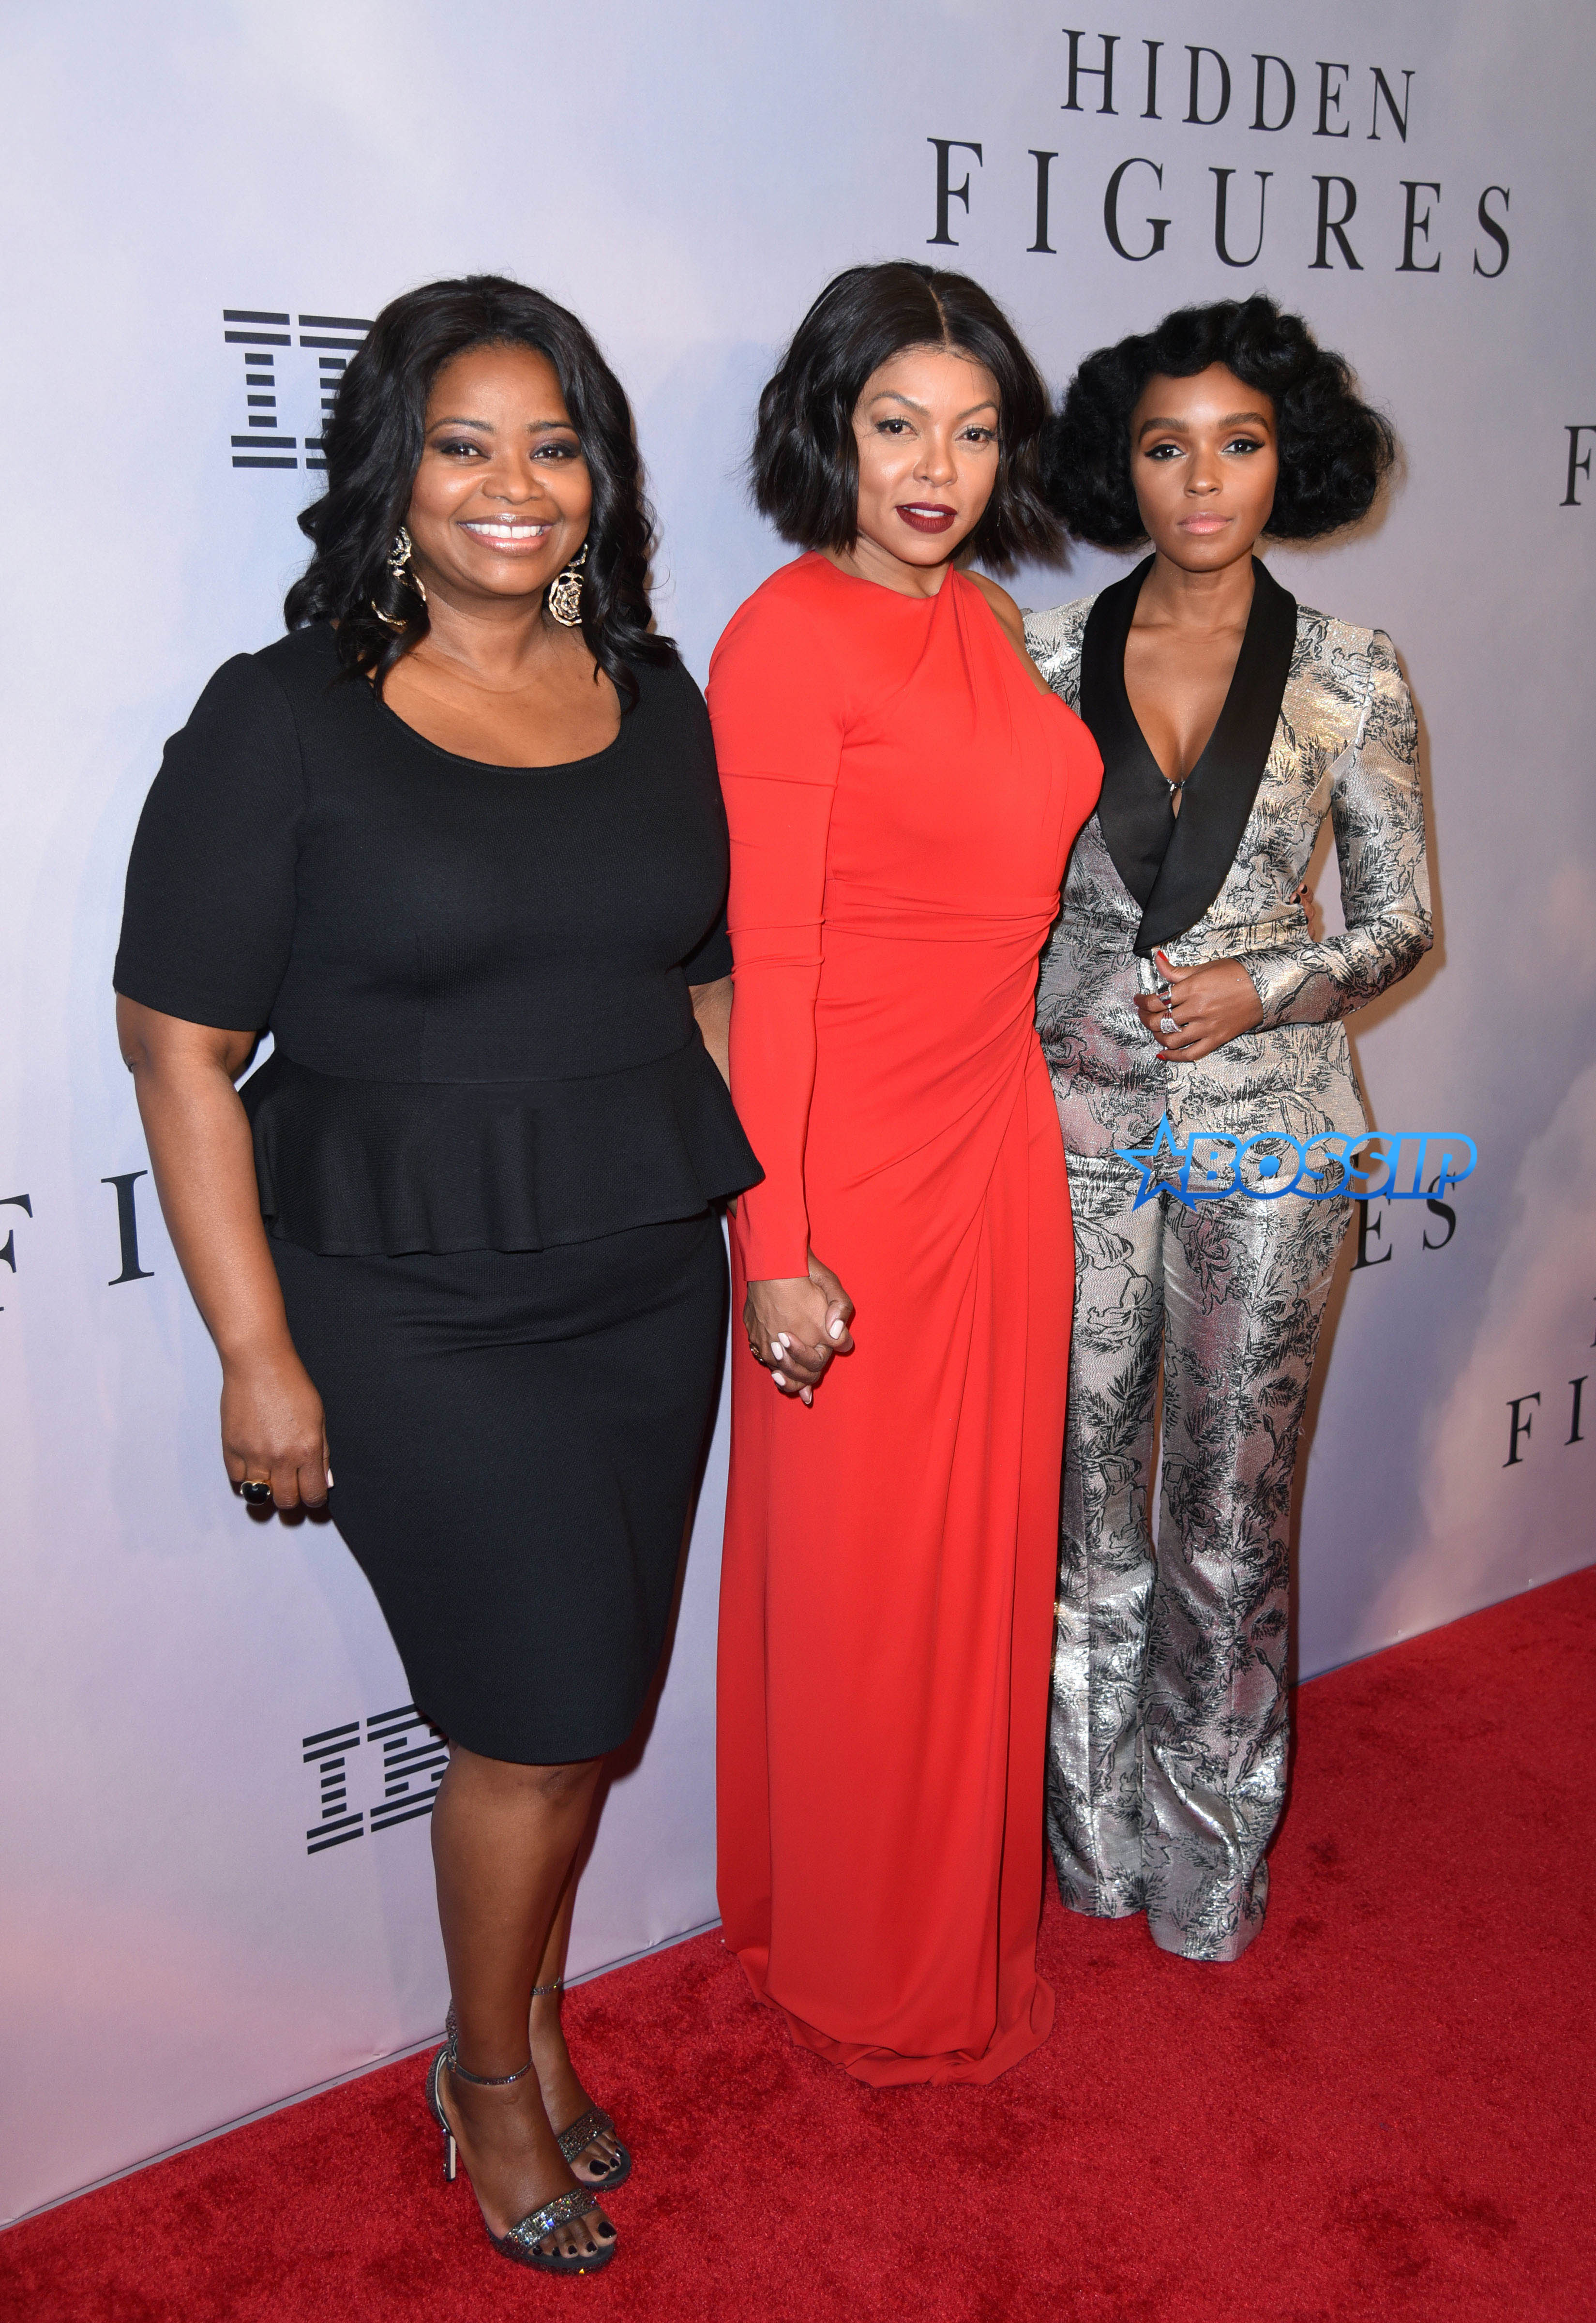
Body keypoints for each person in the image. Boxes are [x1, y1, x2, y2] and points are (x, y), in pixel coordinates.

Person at [113, 275, 760, 2273]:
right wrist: (257, 1354)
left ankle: (533, 2026)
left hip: (641, 1280)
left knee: (580, 1715)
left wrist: (765, 1244)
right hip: (410, 1303)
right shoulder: (280, 716)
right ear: (392, 469)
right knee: (533, 1716)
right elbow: (179, 1051)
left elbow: (707, 989)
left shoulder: (657, 698)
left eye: (555, 446)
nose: (514, 486)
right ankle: (483, 2080)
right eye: (465, 444)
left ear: (601, 479)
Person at [708, 261, 1102, 2083]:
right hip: (848, 1169)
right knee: (869, 1587)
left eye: (973, 430)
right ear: (829, 433)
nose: (936, 470)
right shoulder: (786, 639)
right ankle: (867, 1957)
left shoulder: (992, 624)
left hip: (996, 1141)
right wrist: (773, 1242)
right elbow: (766, 970)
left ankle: (939, 1922)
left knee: (973, 1575)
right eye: (894, 426)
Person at [1026, 294, 1431, 1961]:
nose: (1201, 481)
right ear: (1118, 466)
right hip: (1067, 1126)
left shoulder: (1348, 673)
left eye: (1239, 444)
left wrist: (1261, 985)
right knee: (1079, 1513)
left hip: (1272, 1138)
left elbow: (1399, 924)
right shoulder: (1034, 657)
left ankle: (1205, 1873)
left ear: (1287, 460)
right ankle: (1090, 1853)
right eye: (1164, 446)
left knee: (1225, 1518)